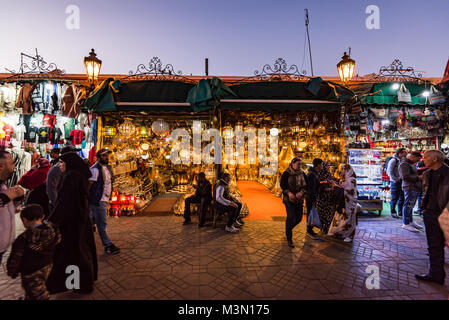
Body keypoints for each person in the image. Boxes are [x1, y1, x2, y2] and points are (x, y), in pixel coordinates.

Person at [46, 152, 98, 294]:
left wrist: (52, 220)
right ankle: (79, 283)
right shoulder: (78, 176)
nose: (60, 166)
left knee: (74, 254)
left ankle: (78, 284)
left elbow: (64, 201)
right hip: (79, 219)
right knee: (80, 251)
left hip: (72, 222)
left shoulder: (71, 177)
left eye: (62, 163)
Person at [6, 204, 61, 300]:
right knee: (34, 289)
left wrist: (12, 271)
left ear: (24, 220)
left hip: (30, 270)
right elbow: (57, 241)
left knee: (39, 294)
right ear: (42, 216)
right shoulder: (52, 231)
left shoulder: (23, 238)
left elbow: (16, 257)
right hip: (47, 265)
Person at [415, 150, 449, 285]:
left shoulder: (447, 173)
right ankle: (436, 273)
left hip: (444, 213)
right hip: (430, 212)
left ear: (435, 159)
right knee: (434, 245)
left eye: (426, 157)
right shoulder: (427, 174)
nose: (423, 160)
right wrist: (424, 207)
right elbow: (425, 192)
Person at [88, 148, 120, 255]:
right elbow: (89, 185)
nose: (106, 157)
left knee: (91, 222)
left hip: (103, 199)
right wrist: (92, 199)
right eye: (104, 156)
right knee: (102, 224)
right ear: (98, 157)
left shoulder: (104, 168)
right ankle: (108, 245)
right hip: (99, 200)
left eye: (107, 155)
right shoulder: (95, 169)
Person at [0, 151, 25, 264]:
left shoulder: (3, 185)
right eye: (11, 164)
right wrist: (5, 197)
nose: (15, 167)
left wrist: (16, 199)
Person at [280, 157, 308, 248]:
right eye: (298, 164)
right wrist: (289, 193)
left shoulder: (302, 173)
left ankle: (288, 230)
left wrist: (302, 192)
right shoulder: (286, 173)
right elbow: (283, 185)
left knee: (299, 218)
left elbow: (306, 185)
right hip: (289, 199)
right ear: (292, 164)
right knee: (291, 216)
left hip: (299, 199)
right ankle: (289, 238)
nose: (299, 166)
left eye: (300, 164)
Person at [328, 164, 358, 243]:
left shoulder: (351, 179)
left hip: (349, 203)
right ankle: (338, 233)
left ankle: (348, 235)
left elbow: (348, 192)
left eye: (342, 169)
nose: (341, 171)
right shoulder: (344, 178)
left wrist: (336, 186)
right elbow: (342, 187)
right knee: (340, 218)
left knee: (348, 219)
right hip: (343, 203)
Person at [46, 145, 80, 212]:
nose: (77, 156)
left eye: (76, 154)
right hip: (59, 205)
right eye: (74, 154)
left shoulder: (71, 168)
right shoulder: (57, 168)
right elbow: (51, 188)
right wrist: (57, 205)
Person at [398, 151, 423, 232]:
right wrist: (418, 178)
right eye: (417, 159)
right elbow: (405, 176)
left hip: (413, 186)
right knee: (408, 205)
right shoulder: (404, 164)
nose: (417, 161)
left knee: (410, 206)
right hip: (409, 187)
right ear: (412, 156)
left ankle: (410, 221)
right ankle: (406, 223)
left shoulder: (409, 163)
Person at [316, 162, 339, 235]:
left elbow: (334, 181)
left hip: (330, 198)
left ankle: (327, 227)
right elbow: (319, 186)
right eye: (327, 166)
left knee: (329, 213)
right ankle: (322, 226)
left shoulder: (329, 174)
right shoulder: (320, 175)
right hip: (323, 198)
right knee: (322, 213)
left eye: (329, 166)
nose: (329, 167)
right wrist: (328, 187)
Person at [387, 148, 407, 219]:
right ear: (400, 153)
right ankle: (393, 212)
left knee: (402, 197)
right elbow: (389, 171)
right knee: (394, 197)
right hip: (395, 182)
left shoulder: (402, 160)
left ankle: (400, 212)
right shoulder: (393, 160)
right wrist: (394, 179)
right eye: (405, 152)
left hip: (402, 181)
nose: (406, 154)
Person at [306, 158, 324, 240]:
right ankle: (309, 230)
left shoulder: (315, 173)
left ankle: (310, 229)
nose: (322, 166)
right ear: (318, 165)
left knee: (311, 213)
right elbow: (311, 188)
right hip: (310, 197)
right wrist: (313, 199)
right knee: (310, 213)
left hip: (312, 197)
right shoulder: (312, 174)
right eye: (321, 164)